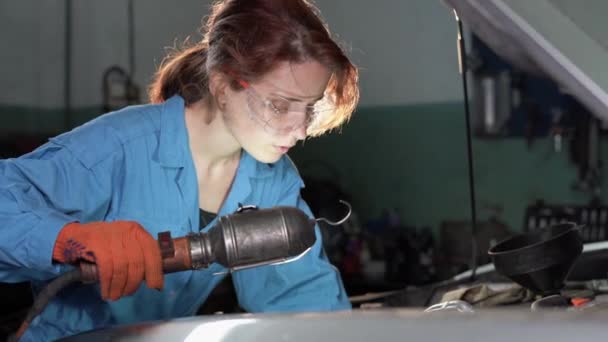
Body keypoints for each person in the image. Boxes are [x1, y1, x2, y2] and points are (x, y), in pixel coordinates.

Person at [0, 0, 359, 340]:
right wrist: (65, 240)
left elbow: (299, 299)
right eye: (281, 106)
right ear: (223, 83)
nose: (299, 131)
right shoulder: (121, 145)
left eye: (309, 108)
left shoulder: (272, 180)